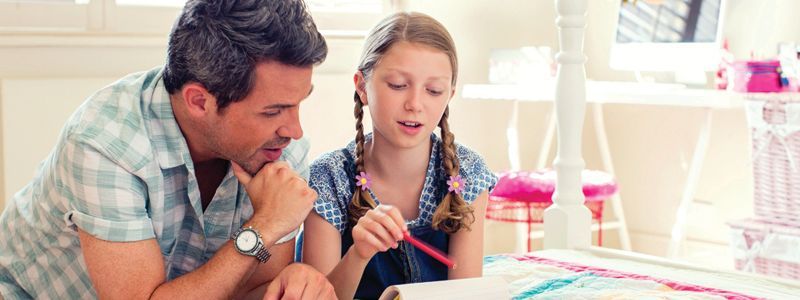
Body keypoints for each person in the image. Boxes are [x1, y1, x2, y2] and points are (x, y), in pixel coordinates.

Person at [0, 0, 336, 299]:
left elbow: (251, 290)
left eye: (297, 105)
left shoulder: (279, 148)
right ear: (199, 101)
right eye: (272, 111)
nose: (295, 131)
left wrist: (294, 284)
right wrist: (263, 227)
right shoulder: (105, 143)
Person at [301, 11, 498, 300]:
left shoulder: (467, 172)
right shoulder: (328, 178)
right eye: (397, 85)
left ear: (449, 96)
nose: (415, 104)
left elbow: (464, 292)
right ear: (362, 86)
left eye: (433, 90)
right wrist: (359, 252)